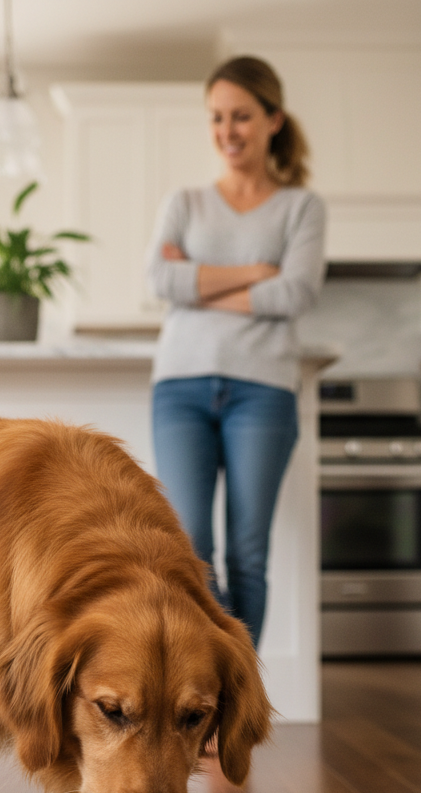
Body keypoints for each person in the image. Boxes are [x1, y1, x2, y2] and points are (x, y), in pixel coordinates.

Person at [147, 55, 325, 647]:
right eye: (217, 118)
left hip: (263, 390)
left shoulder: (300, 207)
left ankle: (235, 711)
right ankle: (207, 684)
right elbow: (160, 281)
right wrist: (254, 273)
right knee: (191, 551)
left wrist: (198, 283)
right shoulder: (185, 202)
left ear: (273, 119)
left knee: (249, 554)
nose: (228, 131)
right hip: (180, 389)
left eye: (242, 116)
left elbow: (295, 292)